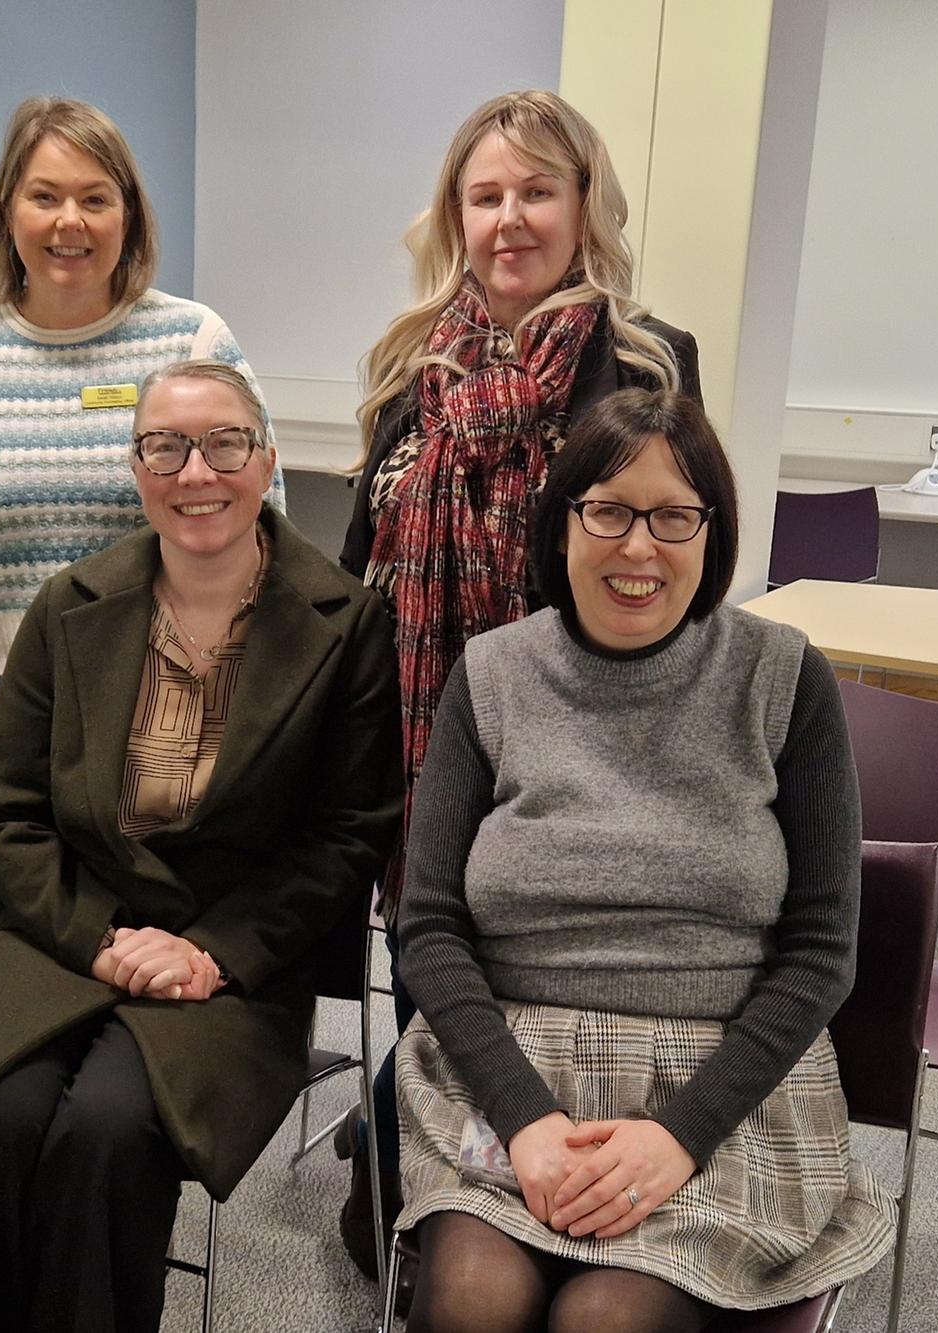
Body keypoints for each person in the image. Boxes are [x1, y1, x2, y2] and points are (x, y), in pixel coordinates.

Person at [0, 360, 401, 1333]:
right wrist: (99, 937)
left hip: (229, 957)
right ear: (137, 466)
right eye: (165, 446)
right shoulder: (68, 604)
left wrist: (212, 951)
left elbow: (347, 834)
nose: (195, 470)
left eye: (222, 443)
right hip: (62, 928)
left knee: (106, 1135)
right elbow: (4, 808)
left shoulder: (344, 622)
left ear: (265, 458)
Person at [392, 388, 894, 1333]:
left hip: (720, 1094)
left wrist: (680, 1135)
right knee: (469, 1301)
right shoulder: (492, 674)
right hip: (511, 1072)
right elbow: (427, 924)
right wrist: (525, 1117)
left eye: (673, 516)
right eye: (609, 510)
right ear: (565, 521)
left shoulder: (783, 677)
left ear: (713, 531)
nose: (638, 547)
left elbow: (823, 951)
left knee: (605, 1321)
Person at [335, 88, 702, 1279]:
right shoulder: (412, 366)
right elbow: (358, 568)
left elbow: (668, 565)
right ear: (454, 212)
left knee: (545, 981)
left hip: (577, 751)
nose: (508, 217)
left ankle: (554, 1178)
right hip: (416, 742)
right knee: (430, 977)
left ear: (582, 202)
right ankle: (432, 1168)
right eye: (483, 194)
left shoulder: (644, 360)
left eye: (535, 190)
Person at [0, 95, 282, 720]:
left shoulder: (192, 340)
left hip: (169, 689)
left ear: (129, 217)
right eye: (45, 197)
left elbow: (263, 516)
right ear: (8, 212)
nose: (71, 221)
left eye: (95, 199)